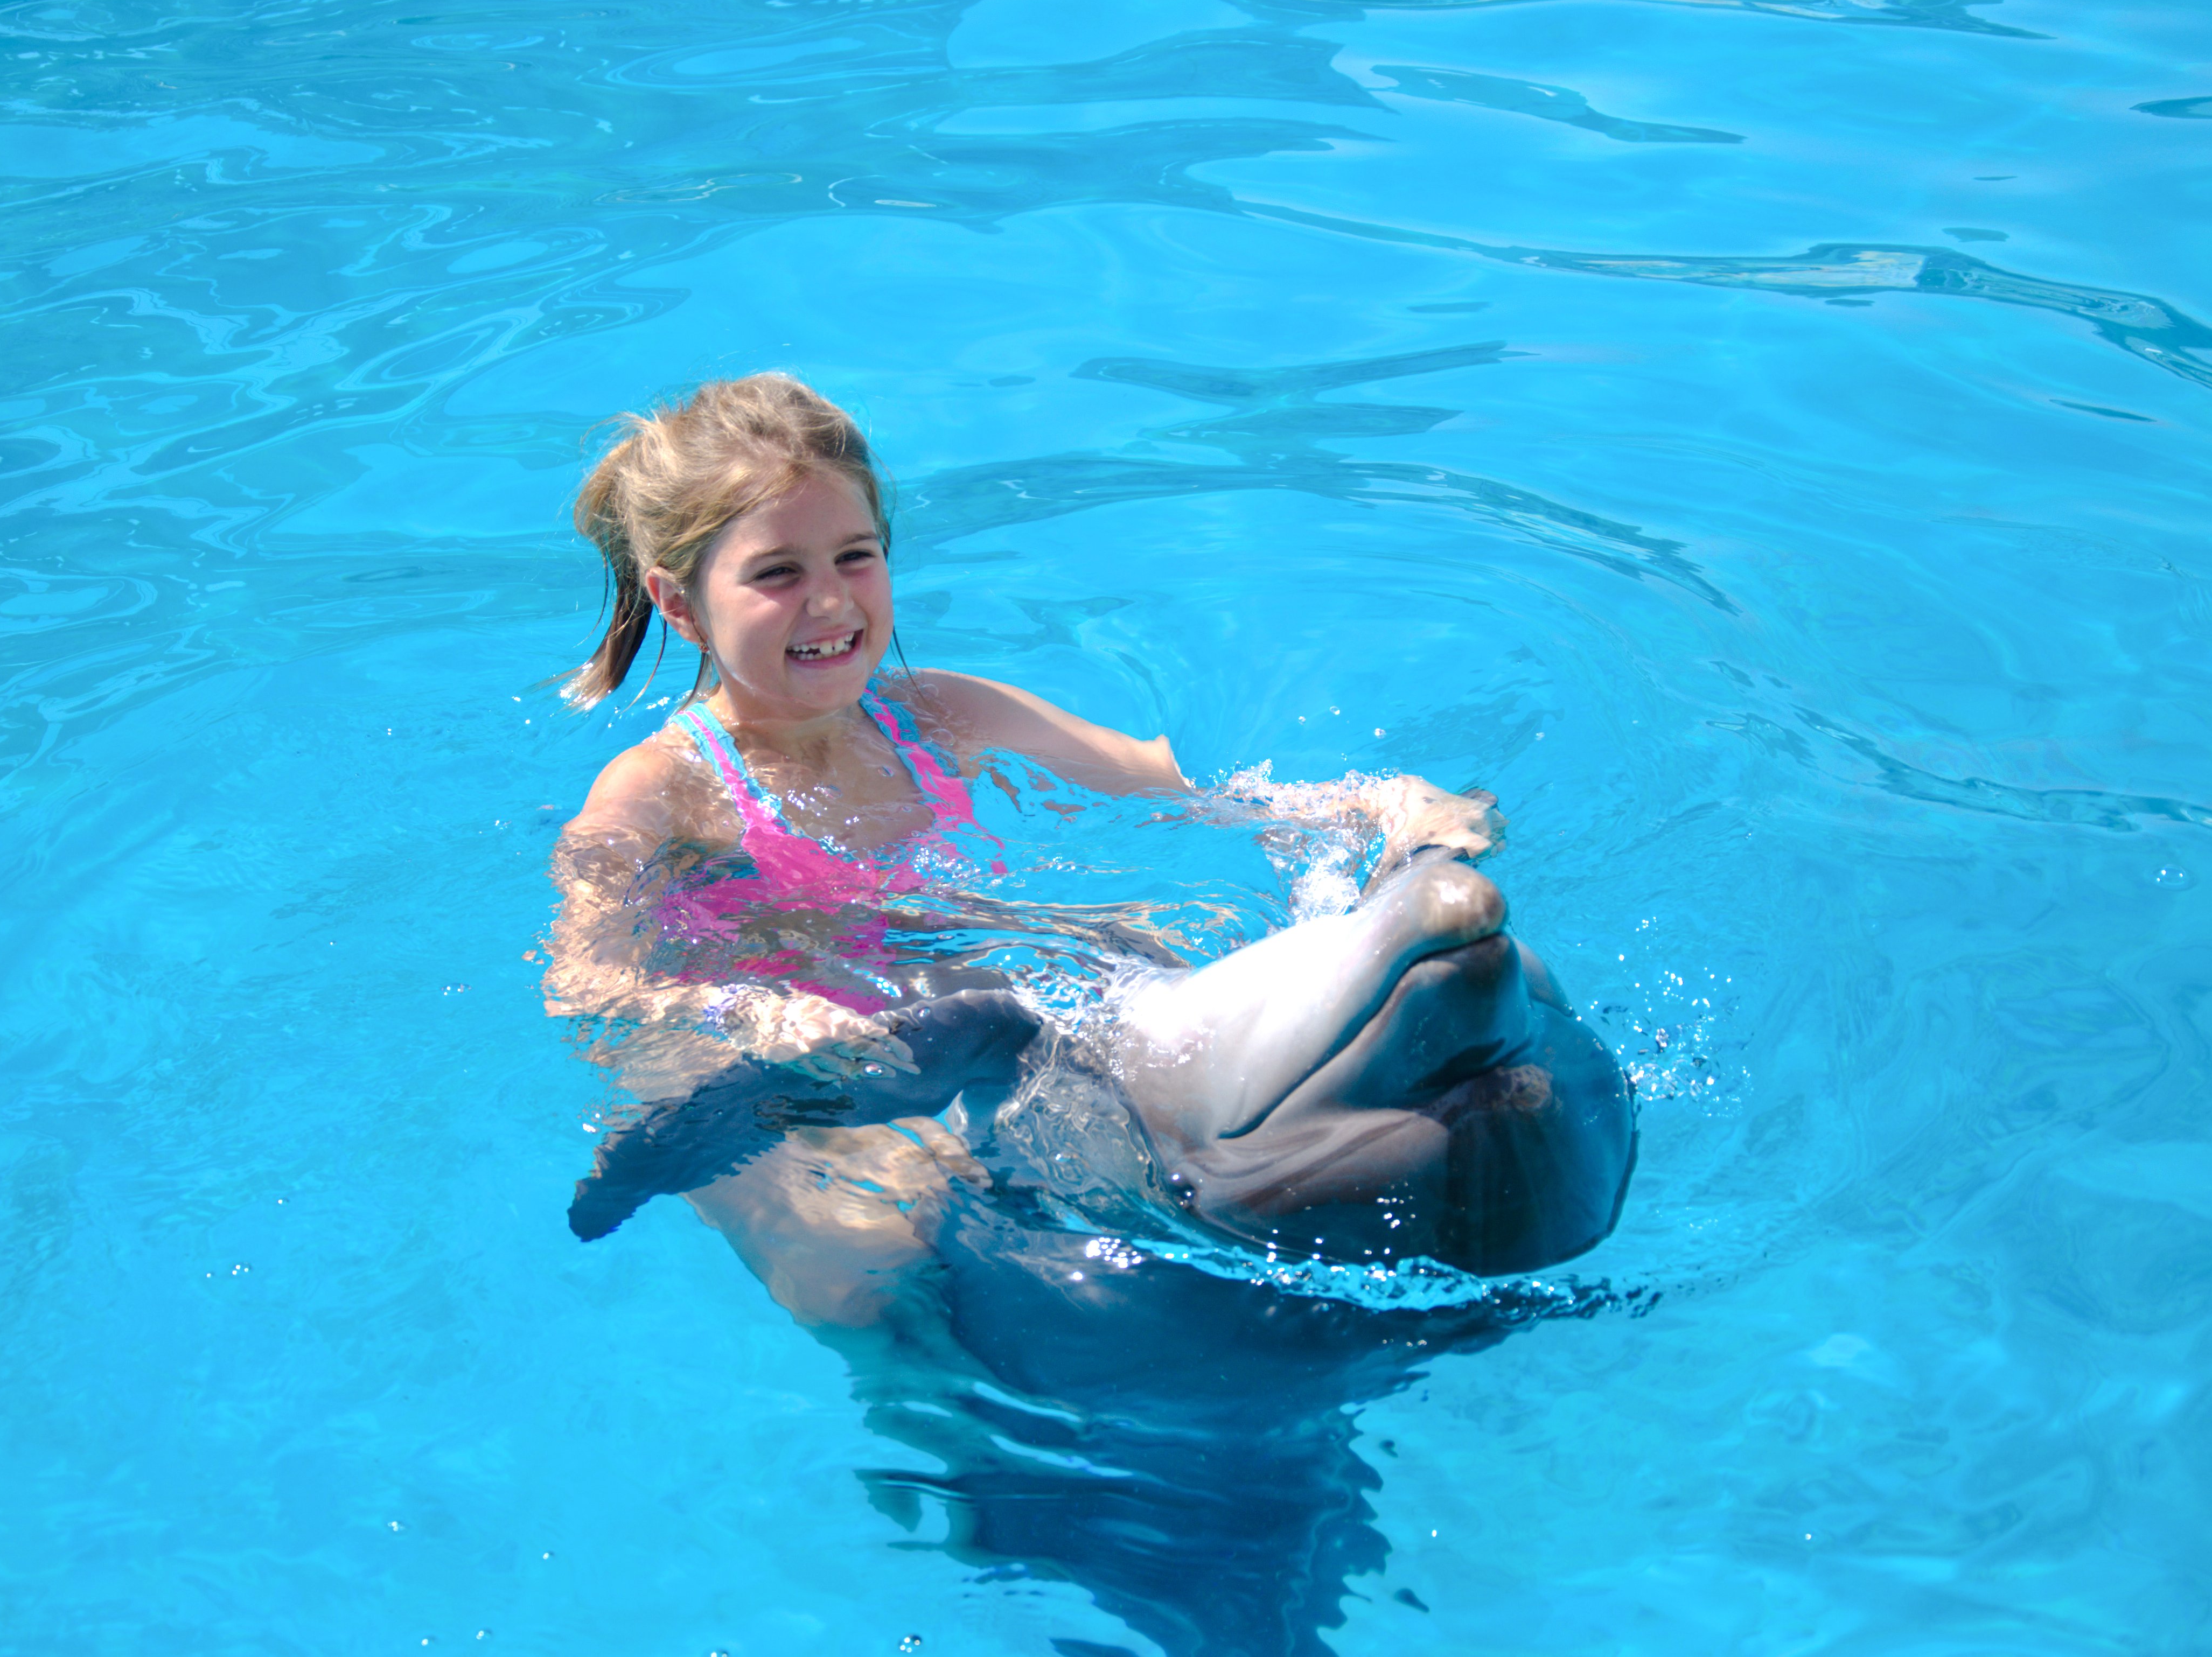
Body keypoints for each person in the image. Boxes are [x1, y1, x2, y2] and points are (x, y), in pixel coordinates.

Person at [542, 372, 1629, 1323]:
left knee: (1142, 977)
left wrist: (1364, 804)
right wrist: (755, 1016)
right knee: (869, 1267)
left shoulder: (943, 717)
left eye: (856, 555)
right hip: (802, 1053)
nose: (829, 599)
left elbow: (1179, 786)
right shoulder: (660, 792)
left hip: (992, 1011)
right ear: (680, 607)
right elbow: (584, 980)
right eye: (776, 572)